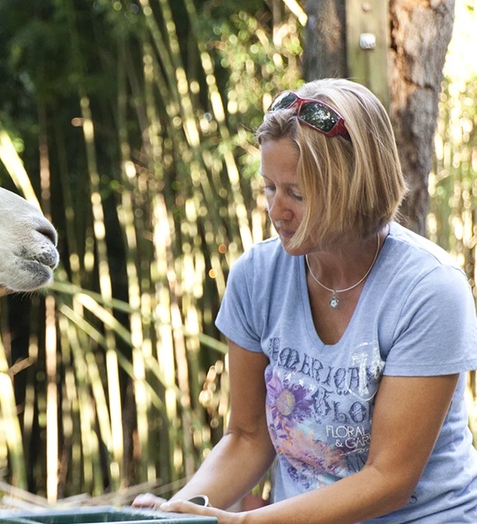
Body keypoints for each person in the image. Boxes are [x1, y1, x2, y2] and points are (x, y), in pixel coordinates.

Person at [133, 78, 477, 523]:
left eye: (296, 194)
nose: (277, 211)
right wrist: (184, 511)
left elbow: (390, 479)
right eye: (269, 189)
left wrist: (254, 521)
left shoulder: (430, 291)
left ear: (353, 187)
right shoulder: (256, 277)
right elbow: (248, 436)